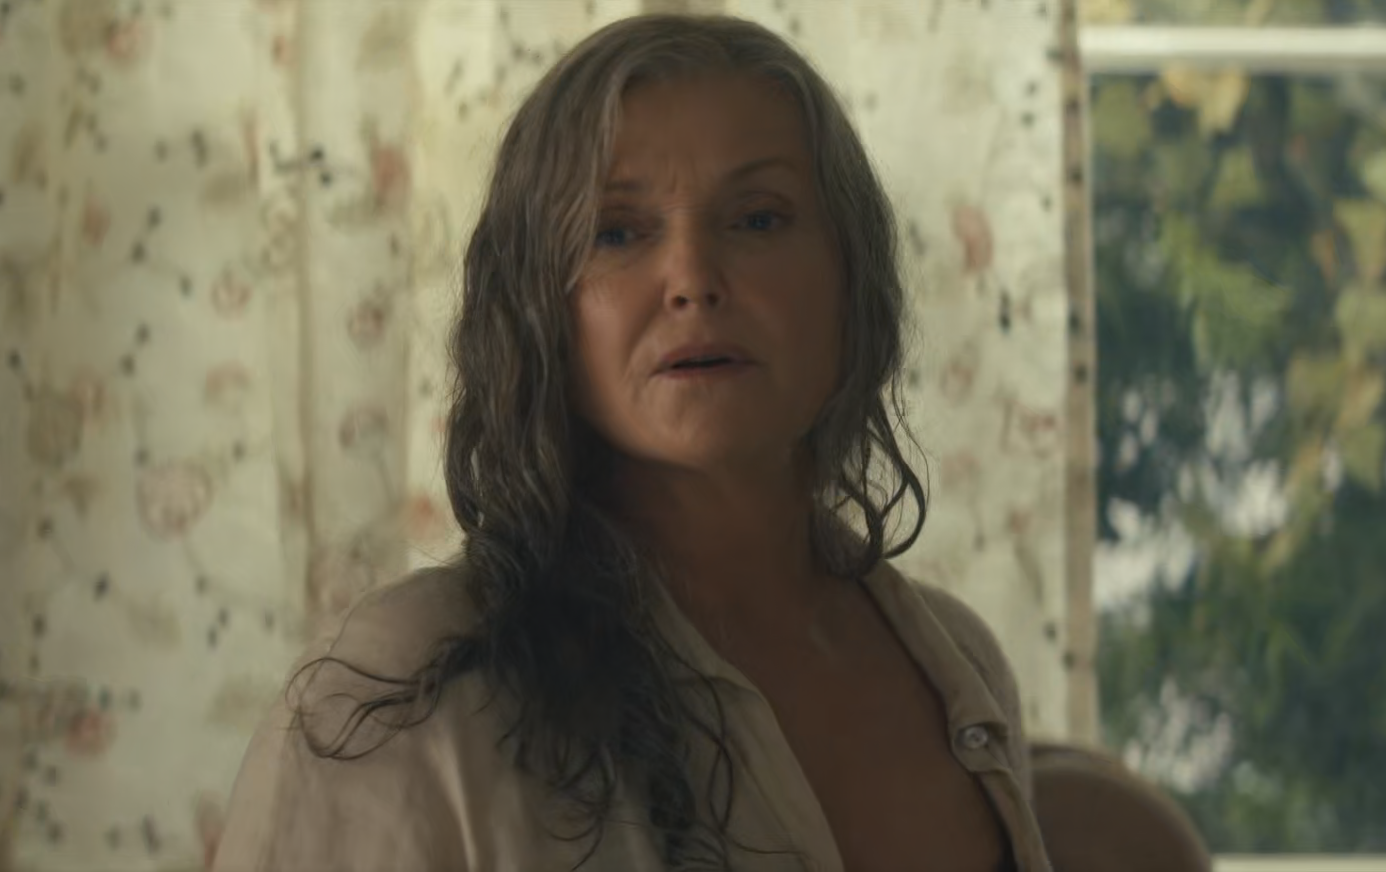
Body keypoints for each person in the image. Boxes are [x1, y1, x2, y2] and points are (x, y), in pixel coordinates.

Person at [212, 13, 1051, 872]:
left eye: (759, 220)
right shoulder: (402, 692)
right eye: (615, 231)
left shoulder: (957, 666)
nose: (692, 279)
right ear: (536, 304)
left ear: (851, 276)